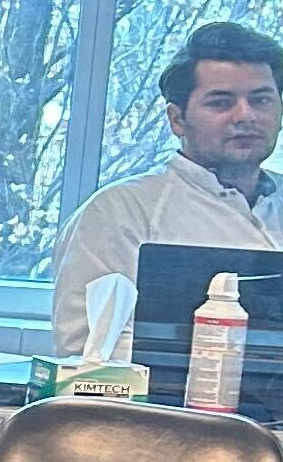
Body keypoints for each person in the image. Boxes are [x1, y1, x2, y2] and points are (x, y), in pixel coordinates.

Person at [49, 20, 283, 353]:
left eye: (261, 100)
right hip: (168, 405)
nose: (245, 116)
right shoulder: (120, 213)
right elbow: (89, 354)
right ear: (177, 119)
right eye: (221, 102)